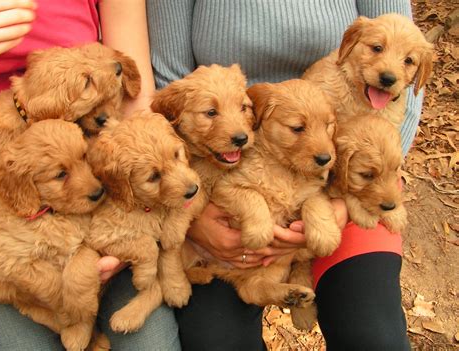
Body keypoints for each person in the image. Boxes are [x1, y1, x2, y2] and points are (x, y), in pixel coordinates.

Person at [145, 1, 419, 350]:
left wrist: (347, 203)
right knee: (216, 341)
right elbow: (170, 87)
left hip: (356, 179)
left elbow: (405, 90)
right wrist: (194, 218)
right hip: (227, 167)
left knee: (373, 338)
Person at [0, 1, 181, 350]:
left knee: (151, 344)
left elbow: (136, 101)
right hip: (1, 218)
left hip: (98, 185)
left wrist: (127, 224)